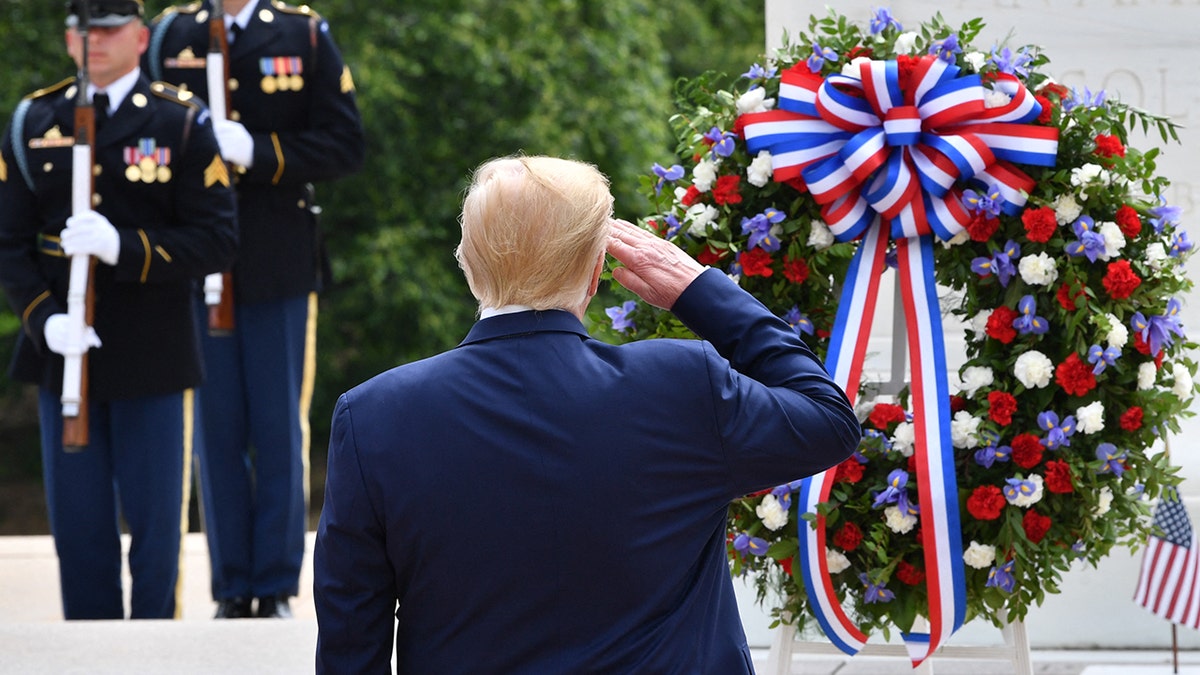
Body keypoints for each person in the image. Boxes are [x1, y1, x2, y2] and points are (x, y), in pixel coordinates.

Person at [312, 156, 862, 673]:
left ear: (467, 262)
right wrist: (700, 291)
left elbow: (350, 641)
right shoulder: (679, 385)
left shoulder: (374, 415)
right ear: (598, 269)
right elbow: (828, 418)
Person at [0, 0, 237, 620]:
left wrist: (122, 247)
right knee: (79, 530)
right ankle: (89, 651)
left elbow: (217, 240)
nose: (94, 41)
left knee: (158, 529)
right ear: (68, 38)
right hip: (63, 351)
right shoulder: (35, 120)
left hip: (154, 351)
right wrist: (45, 318)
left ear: (139, 36)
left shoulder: (180, 123)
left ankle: (153, 650)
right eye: (83, 30)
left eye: (108, 30)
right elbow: (8, 242)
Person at [144, 0, 365, 619]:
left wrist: (259, 151)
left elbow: (345, 145)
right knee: (214, 432)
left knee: (275, 424)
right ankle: (230, 585)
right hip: (196, 262)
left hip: (275, 259)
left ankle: (273, 585)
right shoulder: (171, 32)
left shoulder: (303, 33)